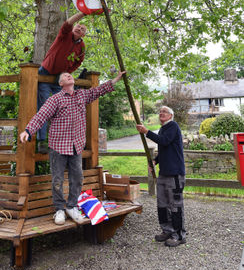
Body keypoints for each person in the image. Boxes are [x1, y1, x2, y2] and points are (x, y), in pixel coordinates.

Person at [20, 70, 126, 225]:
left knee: (77, 178)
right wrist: (28, 130)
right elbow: (41, 115)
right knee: (57, 179)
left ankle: (71, 206)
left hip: (76, 146)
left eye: (70, 75)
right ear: (61, 84)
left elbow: (98, 91)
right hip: (58, 146)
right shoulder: (55, 99)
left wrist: (115, 80)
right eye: (64, 76)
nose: (69, 76)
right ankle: (59, 210)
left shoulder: (82, 95)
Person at [136, 106, 186, 247]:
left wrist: (146, 132)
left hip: (175, 174)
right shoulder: (164, 129)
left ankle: (179, 235)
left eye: (164, 112)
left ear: (171, 115)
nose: (161, 113)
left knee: (175, 205)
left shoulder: (173, 126)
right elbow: (165, 148)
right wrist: (155, 161)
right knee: (162, 204)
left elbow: (164, 141)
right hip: (164, 173)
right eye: (160, 112)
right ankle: (167, 230)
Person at [37, 12, 87, 146]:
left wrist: (67, 72)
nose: (79, 29)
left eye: (82, 29)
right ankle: (41, 141)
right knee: (44, 105)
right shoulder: (65, 34)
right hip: (46, 73)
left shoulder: (81, 47)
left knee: (64, 106)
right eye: (78, 26)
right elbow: (68, 23)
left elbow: (79, 61)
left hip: (59, 79)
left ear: (83, 35)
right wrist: (82, 13)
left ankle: (62, 139)